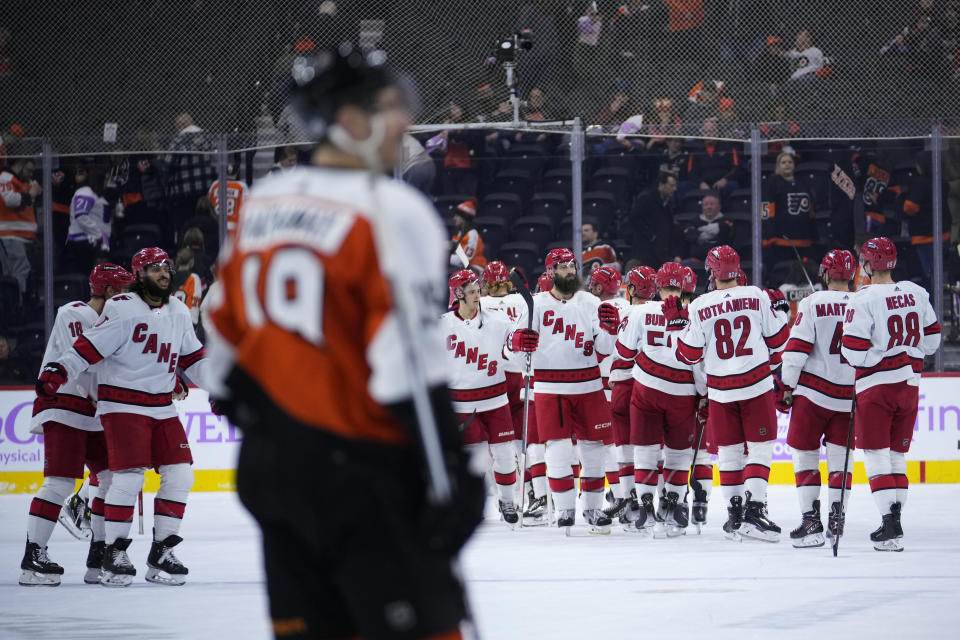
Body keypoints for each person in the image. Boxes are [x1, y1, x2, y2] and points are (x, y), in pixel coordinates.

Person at [203, 45, 484, 638]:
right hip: (364, 478)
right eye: (389, 108)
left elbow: (223, 353)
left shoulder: (263, 205)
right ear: (351, 123)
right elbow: (406, 365)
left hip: (273, 474)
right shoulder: (389, 209)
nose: (405, 122)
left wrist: (279, 438)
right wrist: (451, 478)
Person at [36, 247, 212, 587]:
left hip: (161, 406)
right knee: (128, 478)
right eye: (155, 268)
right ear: (140, 275)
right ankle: (114, 553)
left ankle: (162, 550)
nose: (163, 273)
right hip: (122, 406)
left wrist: (219, 388)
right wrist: (59, 370)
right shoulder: (121, 308)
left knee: (181, 474)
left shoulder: (177, 310)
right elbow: (88, 347)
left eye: (166, 267)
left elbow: (193, 359)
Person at [19, 263, 133, 587]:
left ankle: (98, 554)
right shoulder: (74, 312)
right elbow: (78, 365)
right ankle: (34, 555)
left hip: (93, 411)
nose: (127, 298)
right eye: (123, 291)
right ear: (110, 291)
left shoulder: (114, 323)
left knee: (112, 477)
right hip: (63, 404)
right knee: (59, 483)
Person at [667, 245, 790, 542]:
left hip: (721, 388)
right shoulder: (757, 295)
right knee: (759, 448)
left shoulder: (699, 305)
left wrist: (676, 327)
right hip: (756, 382)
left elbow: (688, 355)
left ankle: (735, 515)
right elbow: (779, 340)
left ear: (711, 271)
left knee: (730, 453)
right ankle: (755, 510)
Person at [841, 237, 941, 551]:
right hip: (910, 386)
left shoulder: (862, 299)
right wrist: (908, 354)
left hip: (876, 388)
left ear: (869, 264)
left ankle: (889, 523)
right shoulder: (917, 292)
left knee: (875, 456)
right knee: (897, 457)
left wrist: (877, 358)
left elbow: (854, 351)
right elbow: (934, 340)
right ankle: (894, 518)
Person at [515, 248, 614, 533]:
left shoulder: (590, 302)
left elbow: (605, 350)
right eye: (563, 267)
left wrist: (610, 331)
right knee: (557, 449)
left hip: (589, 384)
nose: (570, 271)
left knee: (593, 449)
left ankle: (593, 511)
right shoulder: (535, 304)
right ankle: (565, 510)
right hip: (550, 387)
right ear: (550, 272)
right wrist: (519, 342)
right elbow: (512, 351)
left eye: (572, 265)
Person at [442, 269, 537, 527]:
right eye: (471, 291)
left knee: (506, 454)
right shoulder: (442, 325)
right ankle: (477, 503)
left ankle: (507, 501)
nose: (477, 295)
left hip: (496, 400)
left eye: (477, 290)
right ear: (458, 295)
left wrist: (519, 343)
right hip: (462, 404)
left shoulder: (497, 321)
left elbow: (510, 347)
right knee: (476, 460)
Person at [617, 262, 705, 537]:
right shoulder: (695, 314)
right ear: (686, 286)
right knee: (679, 453)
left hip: (646, 389)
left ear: (657, 285)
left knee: (645, 449)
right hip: (682, 392)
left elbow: (625, 351)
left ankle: (645, 504)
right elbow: (699, 361)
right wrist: (704, 393)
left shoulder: (641, 311)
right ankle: (675, 505)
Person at [778, 250, 857, 548]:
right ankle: (838, 517)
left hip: (812, 395)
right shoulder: (862, 302)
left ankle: (811, 522)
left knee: (806, 456)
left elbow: (796, 350)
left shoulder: (812, 303)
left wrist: (787, 385)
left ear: (825, 274)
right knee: (841, 461)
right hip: (847, 397)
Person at [478, 261, 546, 521]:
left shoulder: (479, 303)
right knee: (520, 439)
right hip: (519, 374)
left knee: (490, 441)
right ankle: (529, 494)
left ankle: (497, 495)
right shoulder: (522, 301)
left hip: (489, 377)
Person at [606, 264, 656, 530]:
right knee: (651, 448)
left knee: (624, 446)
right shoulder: (661, 312)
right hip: (653, 386)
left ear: (632, 288)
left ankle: (628, 500)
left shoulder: (619, 310)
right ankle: (656, 502)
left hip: (624, 384)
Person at [587, 266, 632, 522]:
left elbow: (593, 350)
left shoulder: (593, 309)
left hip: (603, 386)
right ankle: (636, 496)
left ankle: (621, 496)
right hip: (632, 383)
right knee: (634, 445)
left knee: (608, 447)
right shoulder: (631, 307)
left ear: (598, 287)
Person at [164, 113, 217, 247]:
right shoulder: (207, 136)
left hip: (184, 191)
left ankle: (185, 250)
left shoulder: (179, 139)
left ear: (182, 125)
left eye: (176, 127)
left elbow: (168, 162)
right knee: (204, 222)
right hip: (206, 188)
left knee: (185, 224)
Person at [762, 151, 817, 263]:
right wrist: (770, 235)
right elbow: (767, 210)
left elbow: (810, 210)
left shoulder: (803, 183)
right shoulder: (772, 183)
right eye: (783, 162)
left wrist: (814, 234)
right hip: (781, 240)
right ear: (778, 166)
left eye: (790, 162)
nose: (787, 164)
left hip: (803, 239)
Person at [0, 156, 40, 296]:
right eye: (28, 170)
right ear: (21, 164)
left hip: (20, 236)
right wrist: (31, 193)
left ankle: (16, 302)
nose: (30, 174)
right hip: (11, 235)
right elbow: (10, 200)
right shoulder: (6, 177)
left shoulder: (22, 182)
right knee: (19, 270)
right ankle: (17, 304)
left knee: (17, 271)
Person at [62, 166, 113, 275]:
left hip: (94, 244)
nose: (107, 183)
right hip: (82, 243)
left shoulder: (97, 195)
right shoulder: (85, 192)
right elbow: (81, 215)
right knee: (85, 277)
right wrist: (98, 235)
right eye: (106, 179)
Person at [630, 172, 682, 267]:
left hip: (660, 256)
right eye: (671, 186)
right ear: (661, 185)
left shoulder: (668, 205)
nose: (675, 189)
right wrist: (651, 236)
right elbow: (635, 219)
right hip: (644, 255)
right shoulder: (646, 199)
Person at [683, 193, 734, 261]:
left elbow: (729, 233)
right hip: (697, 260)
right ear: (702, 207)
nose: (709, 207)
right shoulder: (694, 221)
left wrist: (702, 230)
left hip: (721, 260)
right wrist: (713, 232)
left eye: (712, 204)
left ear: (719, 206)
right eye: (706, 204)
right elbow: (689, 234)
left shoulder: (727, 220)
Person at [207, 160, 246, 243]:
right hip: (233, 226)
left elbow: (207, 203)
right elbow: (247, 207)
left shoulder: (215, 184)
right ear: (238, 171)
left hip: (216, 225)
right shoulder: (241, 186)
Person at [172, 247, 204, 329]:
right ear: (191, 261)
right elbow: (193, 305)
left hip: (171, 322)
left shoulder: (169, 278)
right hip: (187, 323)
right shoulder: (193, 278)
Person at [449, 198, 487, 269]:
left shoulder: (472, 235)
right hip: (464, 270)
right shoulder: (459, 234)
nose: (454, 218)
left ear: (464, 218)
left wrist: (445, 258)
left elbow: (464, 260)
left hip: (476, 270)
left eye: (457, 216)